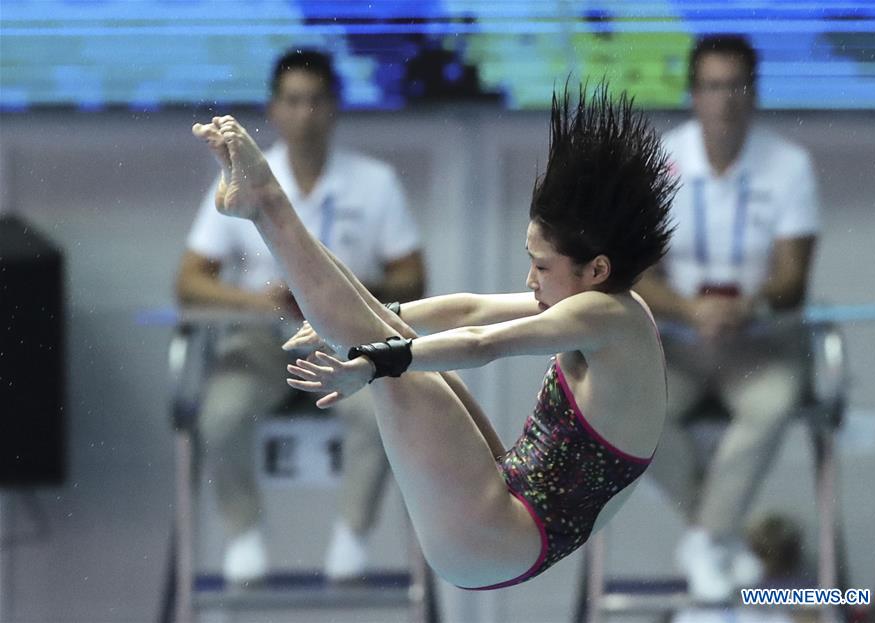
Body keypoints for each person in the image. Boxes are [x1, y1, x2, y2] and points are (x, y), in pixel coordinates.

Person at [189, 80, 675, 590]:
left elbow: (483, 344)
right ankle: (265, 203)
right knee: (384, 331)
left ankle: (266, 203)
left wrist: (375, 362)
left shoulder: (603, 316)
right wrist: (385, 313)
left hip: (495, 538)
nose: (530, 279)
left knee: (386, 348)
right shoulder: (609, 303)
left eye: (541, 265)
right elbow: (470, 309)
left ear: (596, 269)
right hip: (509, 514)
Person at [175, 49, 426, 585]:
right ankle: (243, 532)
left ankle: (353, 533)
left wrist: (339, 294)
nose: (304, 114)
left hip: (344, 338)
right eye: (292, 101)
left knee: (386, 412)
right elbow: (190, 280)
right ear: (274, 109)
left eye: (315, 101)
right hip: (265, 339)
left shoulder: (373, 183)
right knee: (220, 413)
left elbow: (412, 277)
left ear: (334, 107)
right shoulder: (239, 179)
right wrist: (261, 302)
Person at [633, 35, 820, 602]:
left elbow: (792, 279)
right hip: (679, 342)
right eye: (714, 87)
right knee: (635, 410)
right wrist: (692, 309)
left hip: (756, 343)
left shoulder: (789, 165)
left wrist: (747, 306)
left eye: (736, 86)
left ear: (754, 93)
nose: (725, 100)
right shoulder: (659, 163)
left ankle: (705, 537)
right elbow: (638, 274)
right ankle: (717, 536)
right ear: (694, 94)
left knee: (774, 402)